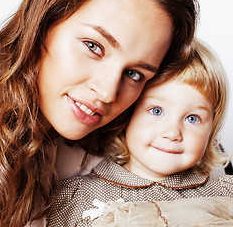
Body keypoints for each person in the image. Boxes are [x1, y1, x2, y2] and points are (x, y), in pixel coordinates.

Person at [0, 0, 198, 226]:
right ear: (41, 23)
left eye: (134, 74)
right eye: (93, 46)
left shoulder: (128, 148)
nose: (107, 93)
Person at [47, 40, 233, 226]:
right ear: (128, 115)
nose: (172, 132)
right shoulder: (76, 197)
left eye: (192, 118)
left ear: (211, 130)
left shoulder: (225, 194)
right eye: (156, 111)